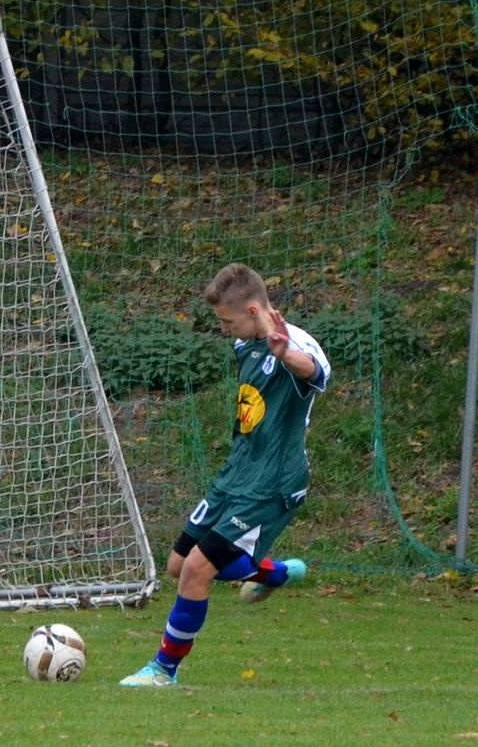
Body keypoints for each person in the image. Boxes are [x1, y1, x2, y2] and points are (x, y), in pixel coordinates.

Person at [120, 262, 330, 687]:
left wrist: (284, 353)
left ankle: (163, 670)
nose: (224, 329)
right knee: (179, 565)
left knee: (198, 570)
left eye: (227, 321)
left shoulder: (295, 343)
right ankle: (275, 573)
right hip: (237, 473)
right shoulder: (243, 344)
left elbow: (314, 371)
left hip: (272, 483)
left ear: (253, 311)